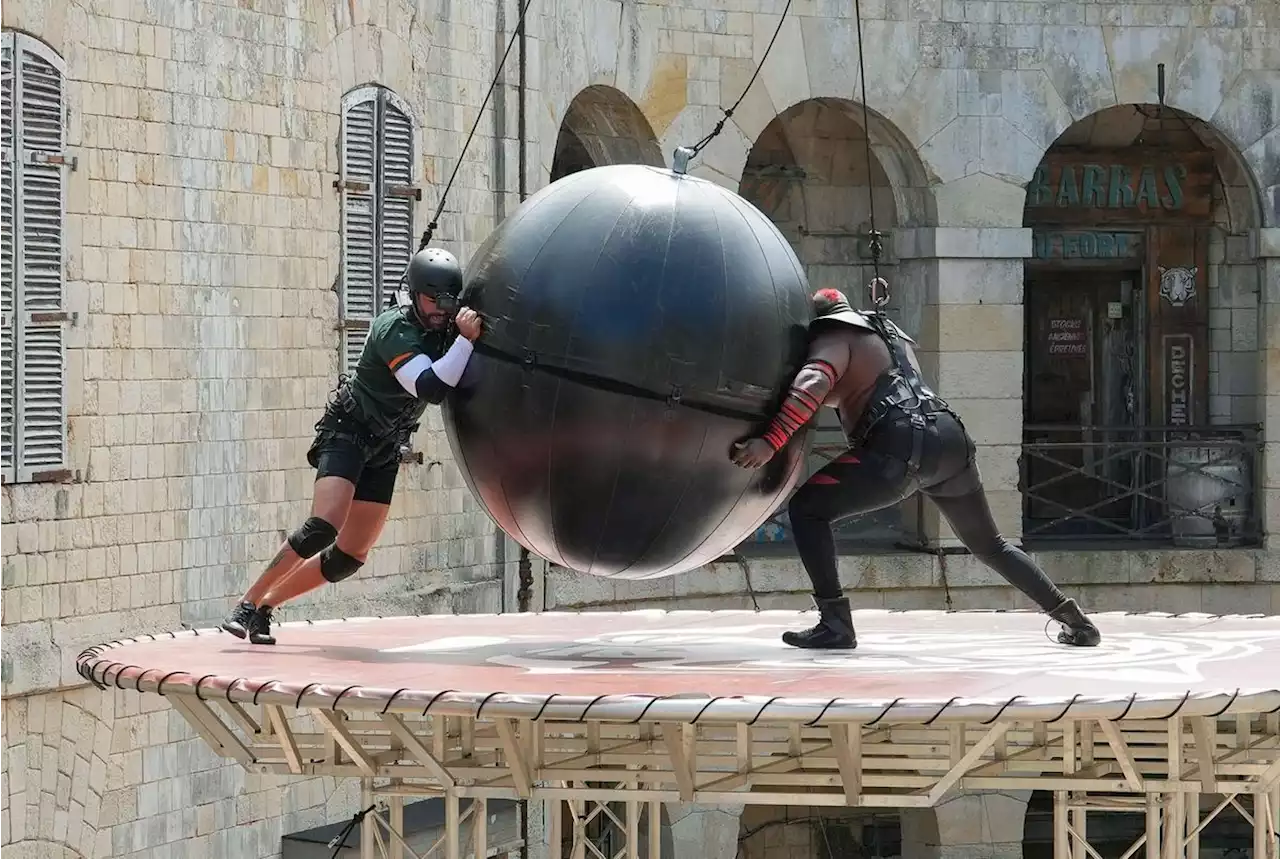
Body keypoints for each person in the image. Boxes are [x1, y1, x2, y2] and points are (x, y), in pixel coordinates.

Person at [730, 285, 1101, 650]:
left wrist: (771, 440)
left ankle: (835, 623)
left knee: (807, 509)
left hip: (898, 445)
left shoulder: (835, 335)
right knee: (991, 545)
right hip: (949, 439)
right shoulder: (890, 338)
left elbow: (815, 381)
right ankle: (1075, 621)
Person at [220, 247, 484, 645]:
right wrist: (465, 342)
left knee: (348, 557)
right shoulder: (393, 330)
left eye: (449, 302)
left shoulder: (446, 326)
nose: (441, 310)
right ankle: (245, 603)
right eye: (433, 301)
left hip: (388, 443)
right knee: (323, 526)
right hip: (350, 430)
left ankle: (265, 607)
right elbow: (430, 388)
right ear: (414, 294)